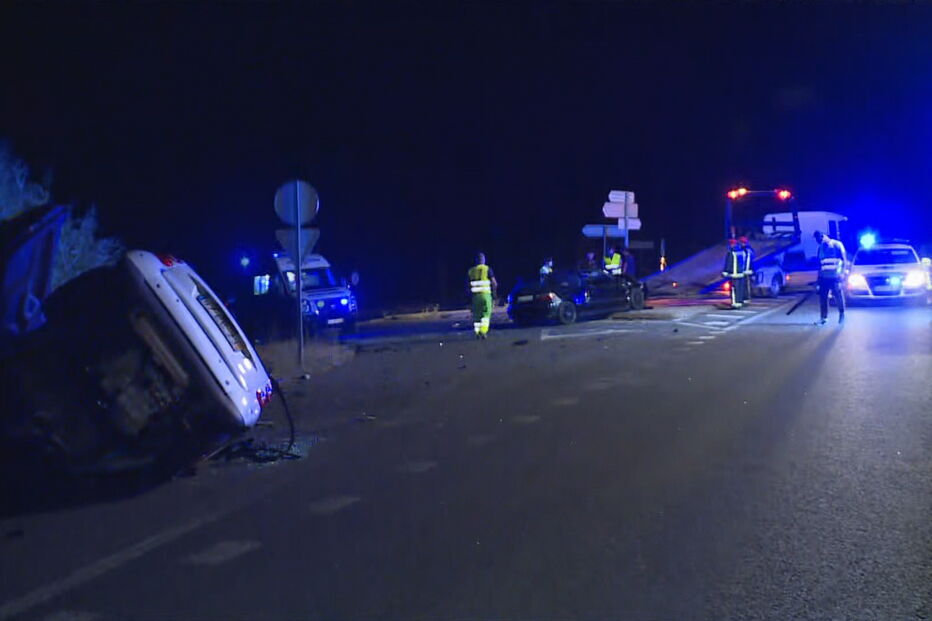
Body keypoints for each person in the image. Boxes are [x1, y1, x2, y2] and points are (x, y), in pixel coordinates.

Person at [814, 230, 847, 324]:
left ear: (823, 236)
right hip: (824, 277)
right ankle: (823, 318)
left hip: (835, 276)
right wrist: (818, 280)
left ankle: (842, 314)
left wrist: (843, 273)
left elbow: (844, 259)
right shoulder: (820, 248)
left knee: (838, 295)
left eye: (819, 239)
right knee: (823, 297)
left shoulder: (837, 244)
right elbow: (820, 265)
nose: (818, 241)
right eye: (817, 240)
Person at [467, 252, 497, 339]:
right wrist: (494, 294)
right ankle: (483, 331)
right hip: (485, 295)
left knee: (477, 315)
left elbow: (467, 286)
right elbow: (494, 283)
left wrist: (468, 298)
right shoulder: (487, 269)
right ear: (484, 260)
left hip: (475, 296)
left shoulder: (471, 271)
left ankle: (477, 332)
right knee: (486, 314)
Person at [722, 238, 746, 309]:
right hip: (741, 273)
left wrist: (725, 272)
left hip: (734, 274)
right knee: (740, 289)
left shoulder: (731, 253)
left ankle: (735, 303)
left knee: (734, 289)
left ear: (732, 244)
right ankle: (740, 302)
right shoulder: (741, 252)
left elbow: (729, 263)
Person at [738, 236, 755, 304]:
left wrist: (747, 270)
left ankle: (746, 298)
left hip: (746, 271)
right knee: (742, 285)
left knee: (746, 286)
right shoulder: (741, 250)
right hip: (742, 271)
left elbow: (748, 261)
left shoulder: (748, 251)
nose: (742, 244)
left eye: (743, 242)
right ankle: (743, 298)